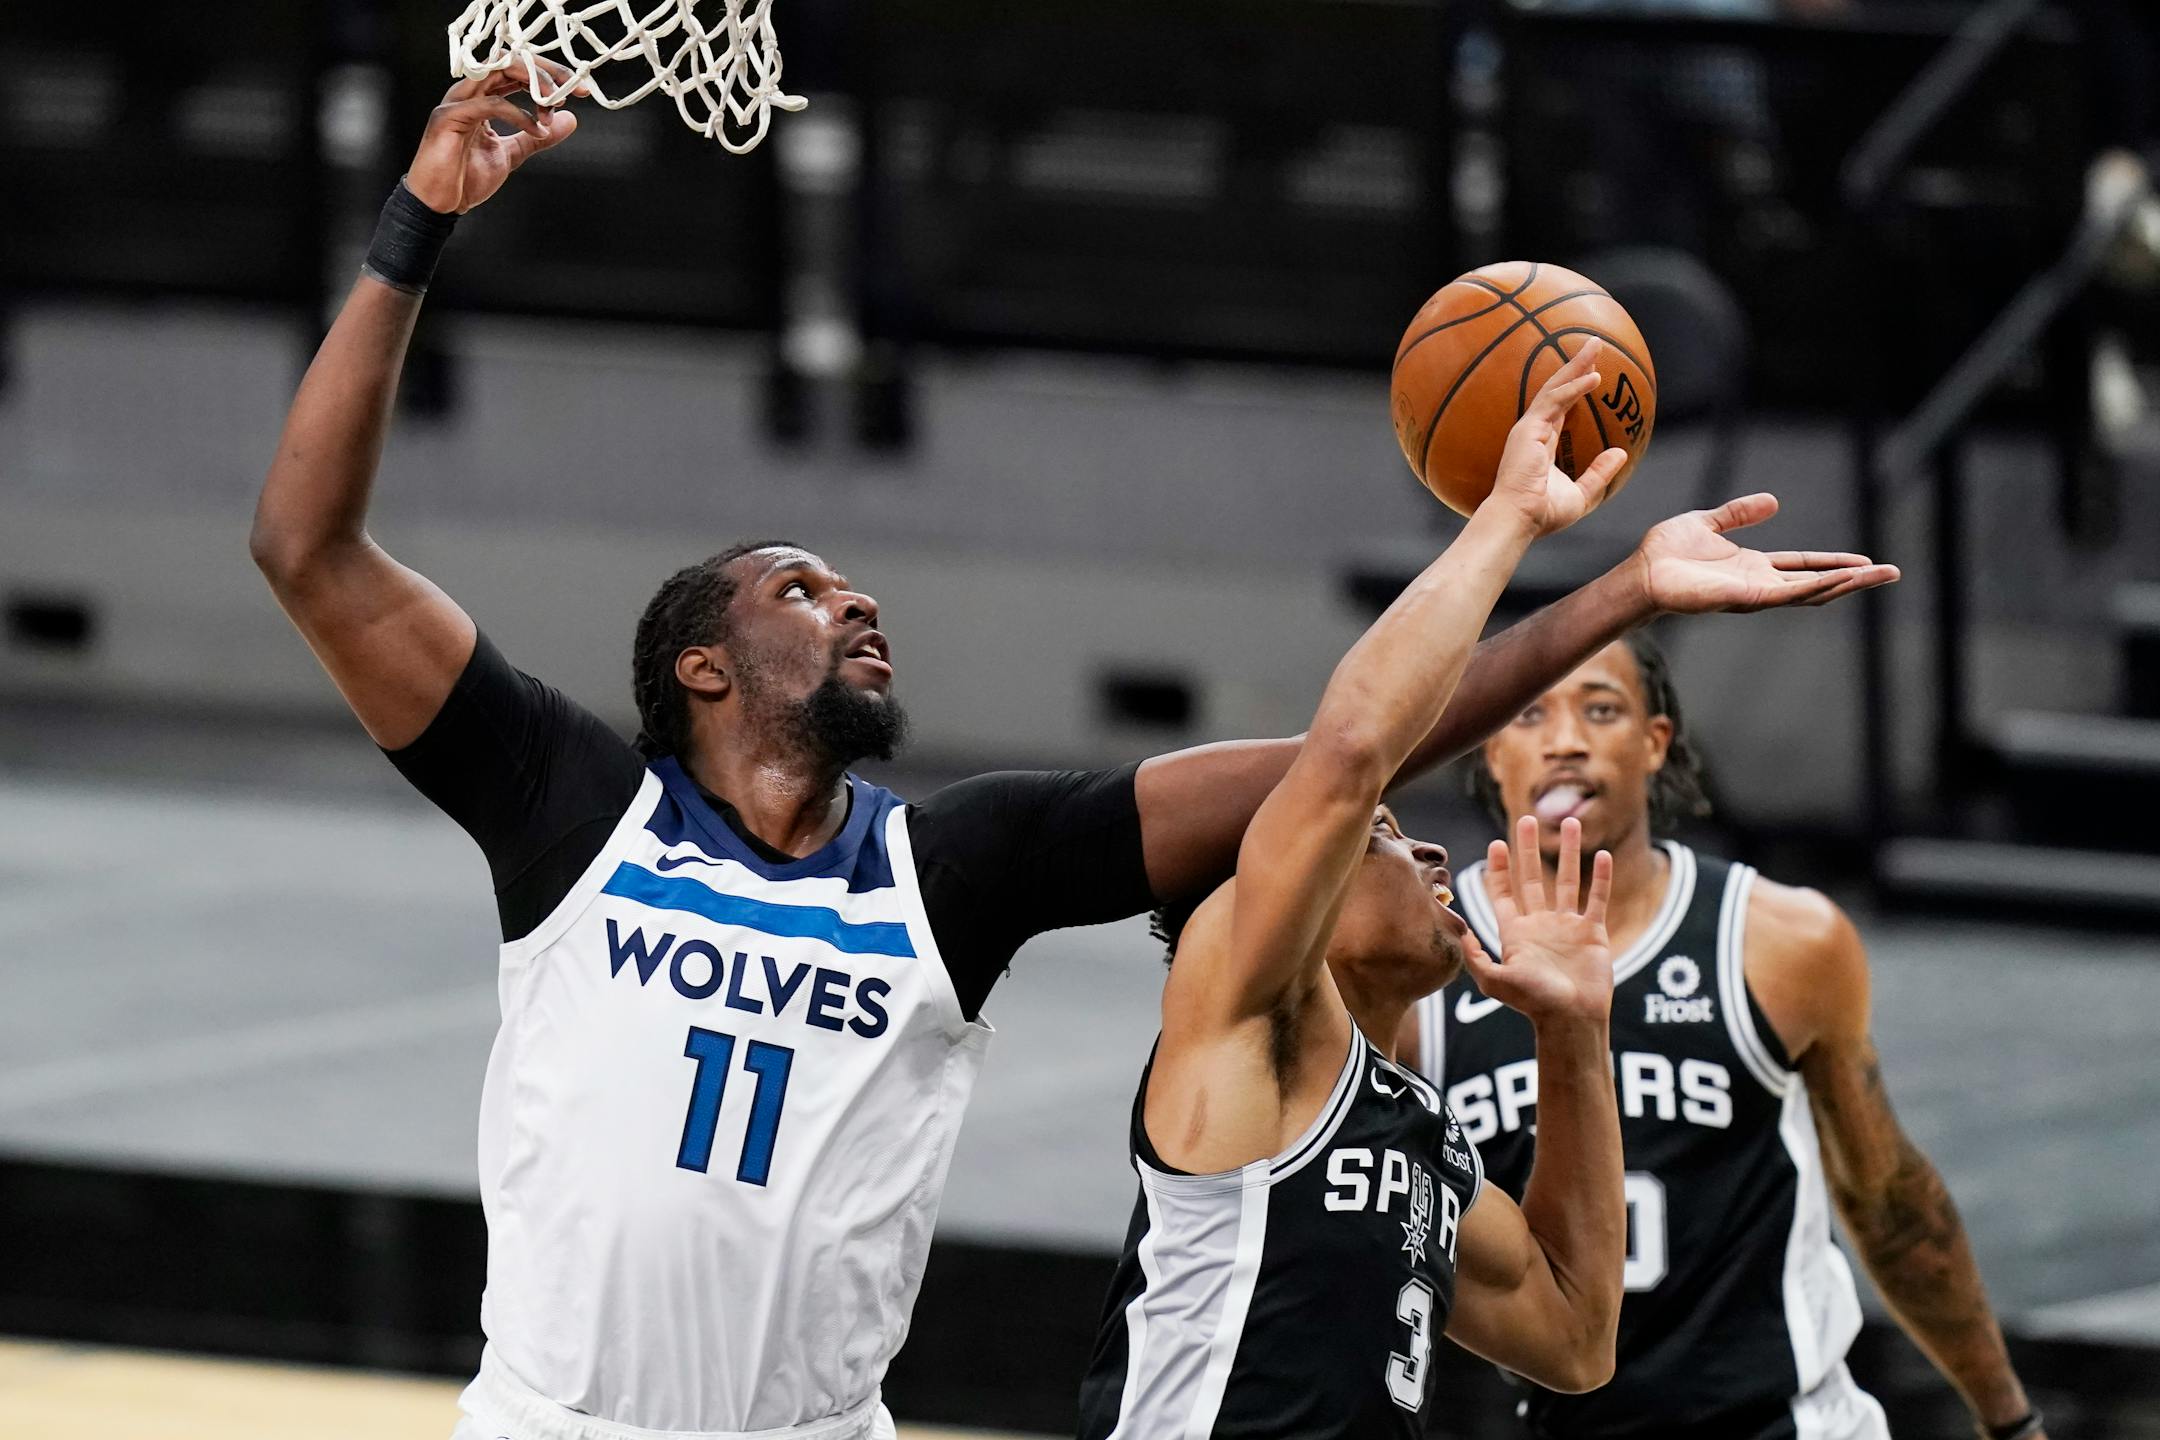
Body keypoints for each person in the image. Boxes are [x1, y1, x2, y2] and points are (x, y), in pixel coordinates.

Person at [248, 67, 1898, 1440]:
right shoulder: (574, 814)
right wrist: (413, 229)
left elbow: (1352, 748)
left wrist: (1613, 591)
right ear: (699, 663)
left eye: (858, 578)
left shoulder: (950, 870)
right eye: (801, 588)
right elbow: (309, 551)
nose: (858, 595)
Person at [1079, 350, 1637, 1438]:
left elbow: (1574, 1338)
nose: (1430, 855)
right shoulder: (1243, 1004)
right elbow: (1345, 756)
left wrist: (1574, 1033)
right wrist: (1511, 522)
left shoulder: (1418, 1127)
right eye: (1380, 839)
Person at [1400, 636, 2045, 1440]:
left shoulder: (1782, 941)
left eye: (1601, 709)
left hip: (1788, 1424)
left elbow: (1890, 1206)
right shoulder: (1421, 966)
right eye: (1530, 714)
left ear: (1654, 743)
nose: (1565, 739)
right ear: (1492, 748)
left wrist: (2008, 1417)